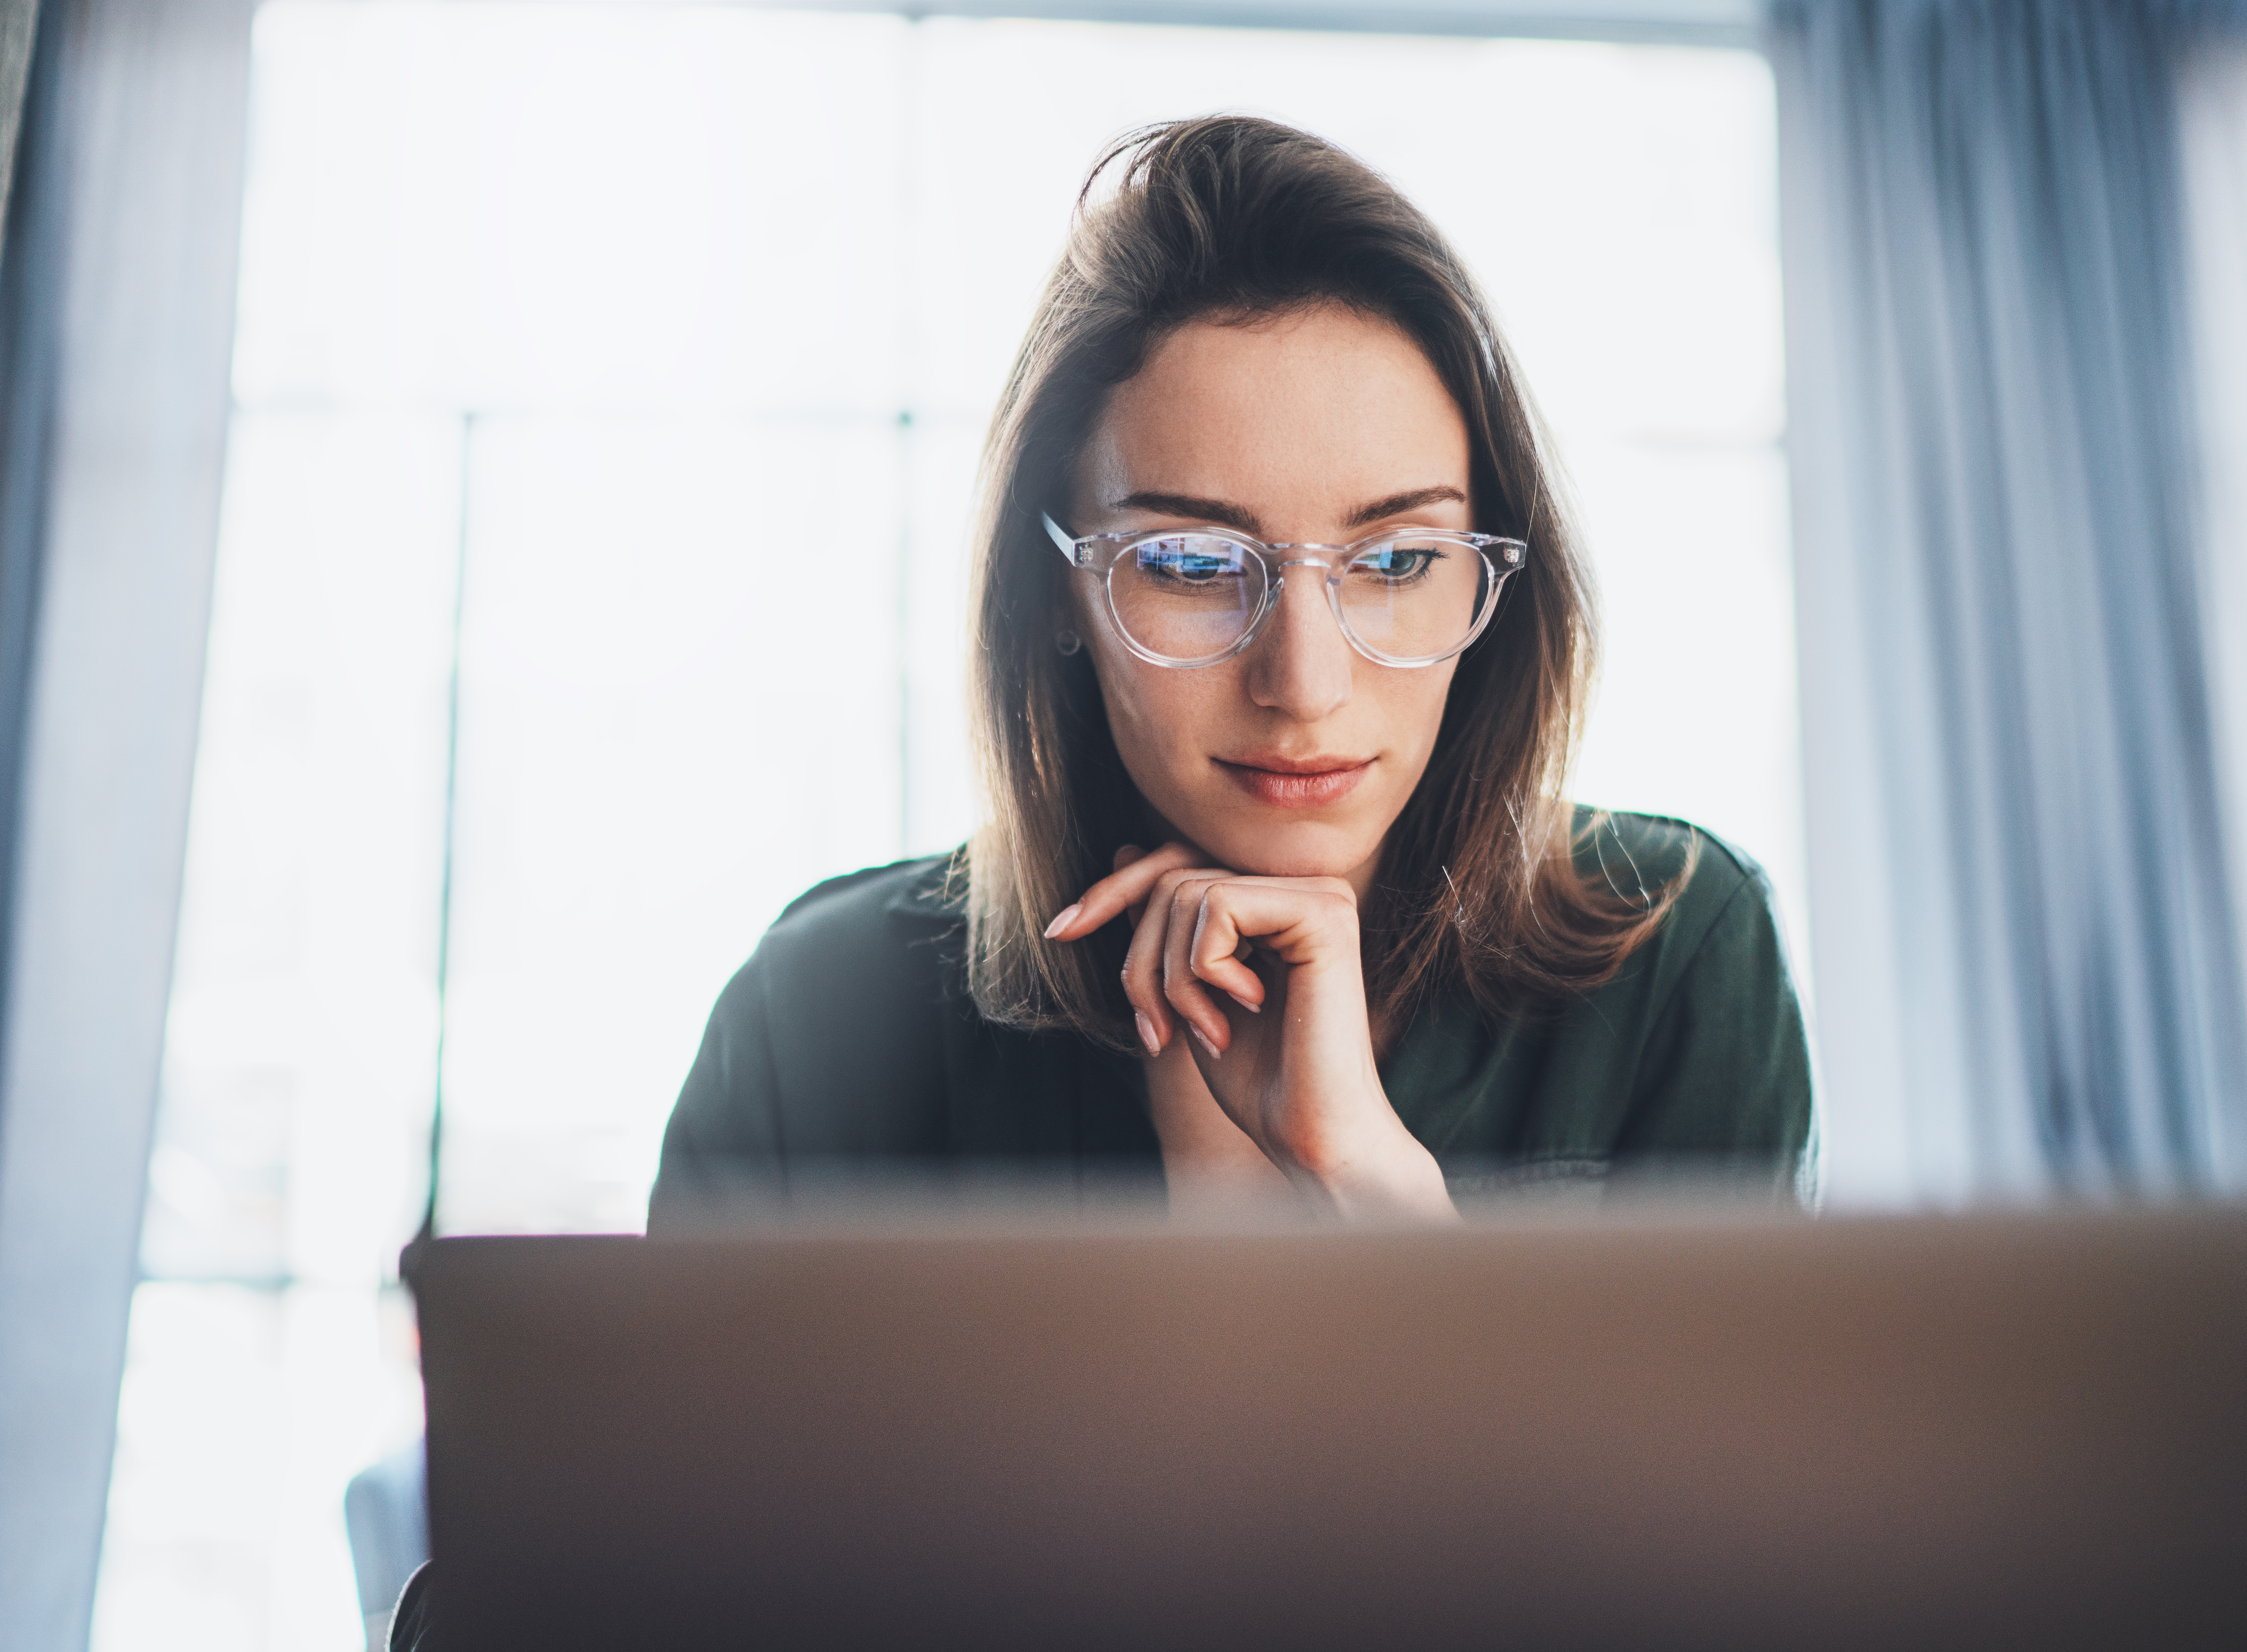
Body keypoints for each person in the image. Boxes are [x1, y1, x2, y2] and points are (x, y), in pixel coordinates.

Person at [649, 114, 1811, 1226]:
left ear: (1492, 583)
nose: (1304, 685)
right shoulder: (816, 1017)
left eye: (1400, 558)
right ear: (1054, 586)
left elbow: (1704, 1444)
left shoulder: (1675, 948)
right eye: (1193, 563)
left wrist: (1372, 1184)